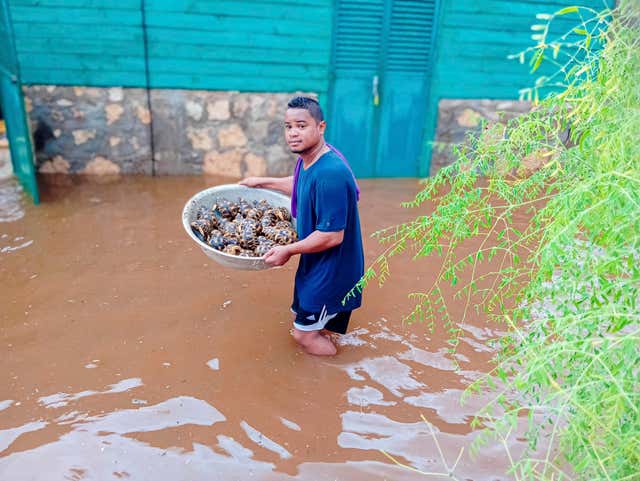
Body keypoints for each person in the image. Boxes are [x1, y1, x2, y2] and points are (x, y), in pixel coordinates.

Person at [239, 96, 364, 356]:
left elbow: (332, 236)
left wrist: (289, 250)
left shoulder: (331, 173)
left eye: (301, 125)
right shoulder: (309, 159)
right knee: (313, 324)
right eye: (288, 126)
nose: (293, 133)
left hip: (333, 270)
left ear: (321, 127)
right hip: (315, 263)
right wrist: (261, 182)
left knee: (303, 335)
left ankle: (334, 381)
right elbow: (300, 184)